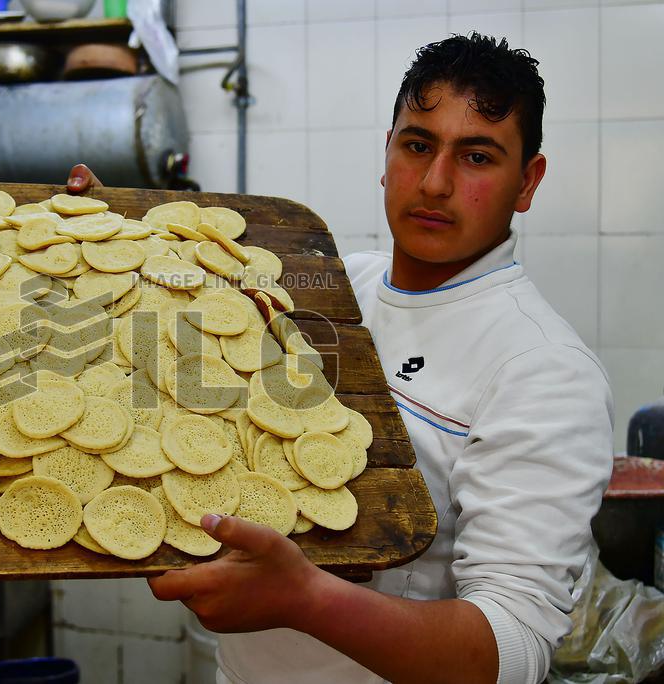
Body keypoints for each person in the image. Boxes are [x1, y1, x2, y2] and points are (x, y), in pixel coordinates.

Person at [67, 33, 613, 684]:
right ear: (387, 153)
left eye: (476, 157)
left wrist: (308, 599)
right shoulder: (331, 288)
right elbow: (183, 338)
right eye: (417, 145)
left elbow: (512, 651)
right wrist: (106, 236)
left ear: (527, 182)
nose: (435, 183)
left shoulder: (543, 369)